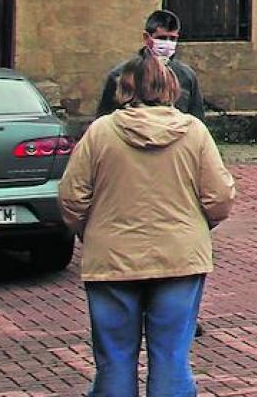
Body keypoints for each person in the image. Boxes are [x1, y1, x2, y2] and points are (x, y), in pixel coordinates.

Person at [59, 52, 235, 397]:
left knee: (114, 359)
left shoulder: (101, 132)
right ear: (171, 88)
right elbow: (220, 197)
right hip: (180, 257)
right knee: (172, 357)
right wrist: (197, 226)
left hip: (112, 258)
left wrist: (90, 231)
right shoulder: (194, 132)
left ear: (123, 88)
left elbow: (71, 197)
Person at [97, 10, 204, 122]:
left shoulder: (187, 76)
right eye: (161, 38)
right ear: (146, 37)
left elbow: (197, 120)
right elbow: (104, 119)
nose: (167, 44)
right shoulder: (120, 74)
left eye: (173, 39)